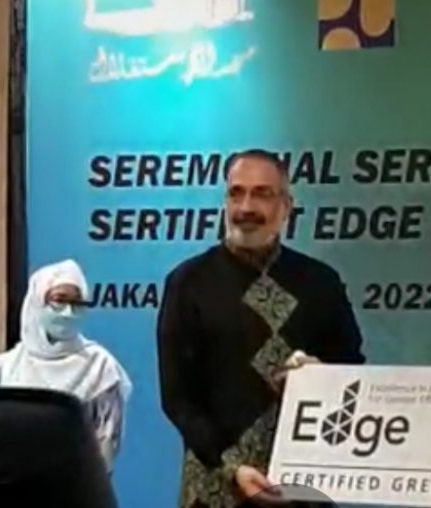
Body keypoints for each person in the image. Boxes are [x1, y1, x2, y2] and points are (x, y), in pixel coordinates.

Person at [157, 148, 365, 507]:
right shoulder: (188, 282)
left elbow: (353, 372)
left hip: (303, 486)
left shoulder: (320, 283)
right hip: (214, 487)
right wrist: (231, 467)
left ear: (286, 206)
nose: (246, 207)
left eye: (262, 194)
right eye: (236, 193)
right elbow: (178, 398)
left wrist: (321, 377)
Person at [0, 259, 132, 474]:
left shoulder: (100, 367)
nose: (68, 312)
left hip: (76, 483)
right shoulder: (4, 366)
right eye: (59, 301)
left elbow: (107, 442)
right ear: (37, 302)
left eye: (77, 303)